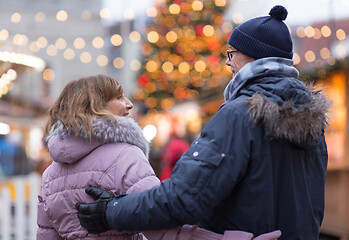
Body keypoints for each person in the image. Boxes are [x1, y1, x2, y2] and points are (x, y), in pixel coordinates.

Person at [77, 5, 330, 239]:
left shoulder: (239, 115)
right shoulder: (313, 123)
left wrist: (111, 210)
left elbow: (184, 198)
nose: (228, 61)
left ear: (254, 57)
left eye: (232, 54)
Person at [37, 74, 277, 240]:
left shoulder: (50, 174)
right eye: (120, 97)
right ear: (96, 106)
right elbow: (164, 230)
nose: (129, 104)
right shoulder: (125, 156)